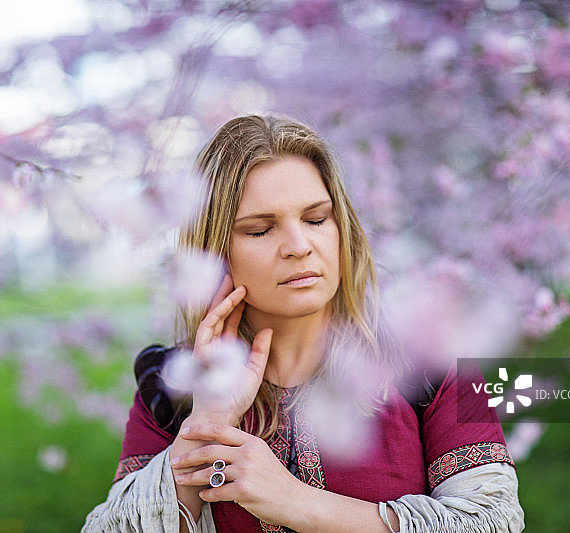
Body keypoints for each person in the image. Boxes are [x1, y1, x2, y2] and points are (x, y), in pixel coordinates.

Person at [82, 115, 525, 533]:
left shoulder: (429, 360)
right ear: (216, 249)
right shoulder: (174, 385)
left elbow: (493, 521)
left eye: (316, 219)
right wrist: (207, 422)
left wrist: (296, 502)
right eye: (260, 229)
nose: (299, 246)